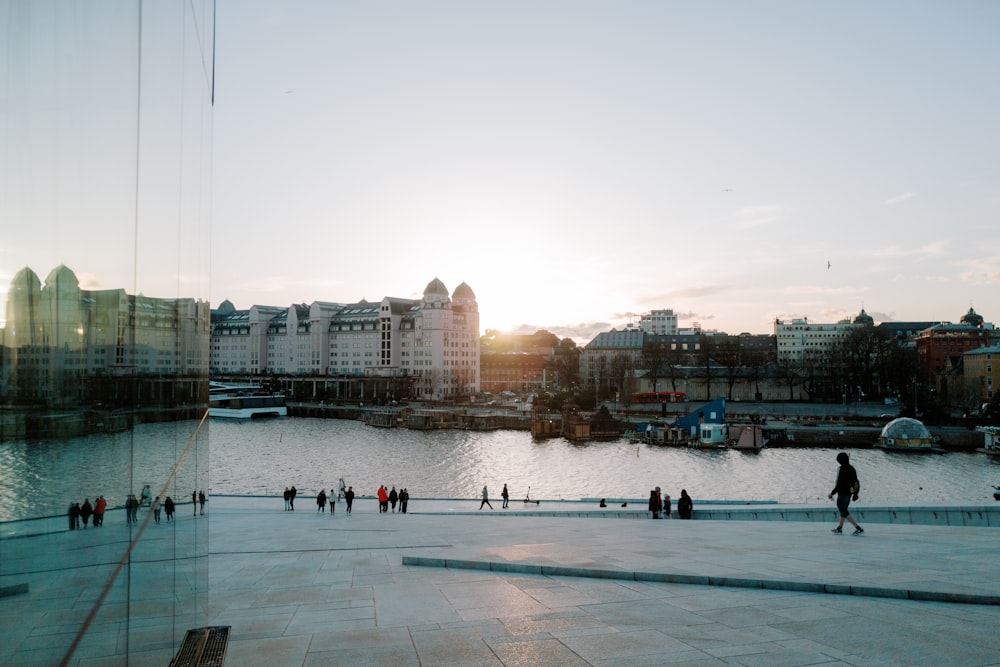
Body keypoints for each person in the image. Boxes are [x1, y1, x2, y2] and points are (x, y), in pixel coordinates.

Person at [829, 452, 864, 535]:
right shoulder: (852, 468)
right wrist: (855, 493)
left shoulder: (842, 469)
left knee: (844, 511)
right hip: (849, 493)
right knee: (843, 511)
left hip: (842, 493)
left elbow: (839, 484)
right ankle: (839, 528)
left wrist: (832, 493)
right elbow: (856, 481)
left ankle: (858, 528)